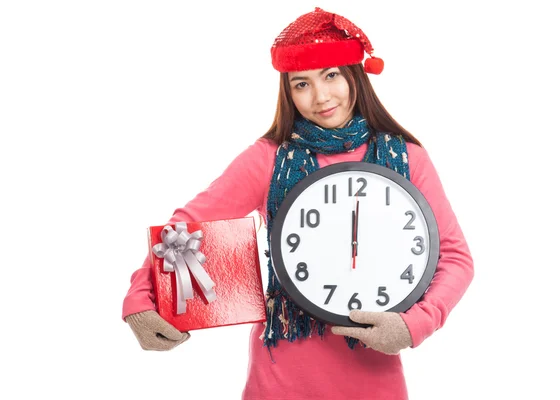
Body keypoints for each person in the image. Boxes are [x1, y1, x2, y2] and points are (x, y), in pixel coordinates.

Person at [122, 7, 474, 399]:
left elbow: (455, 258)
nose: (320, 97)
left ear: (354, 75)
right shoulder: (269, 158)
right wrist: (142, 296)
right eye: (301, 84)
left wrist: (414, 325)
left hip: (375, 381)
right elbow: (186, 228)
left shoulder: (406, 157)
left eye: (331, 76)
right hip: (281, 380)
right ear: (287, 92)